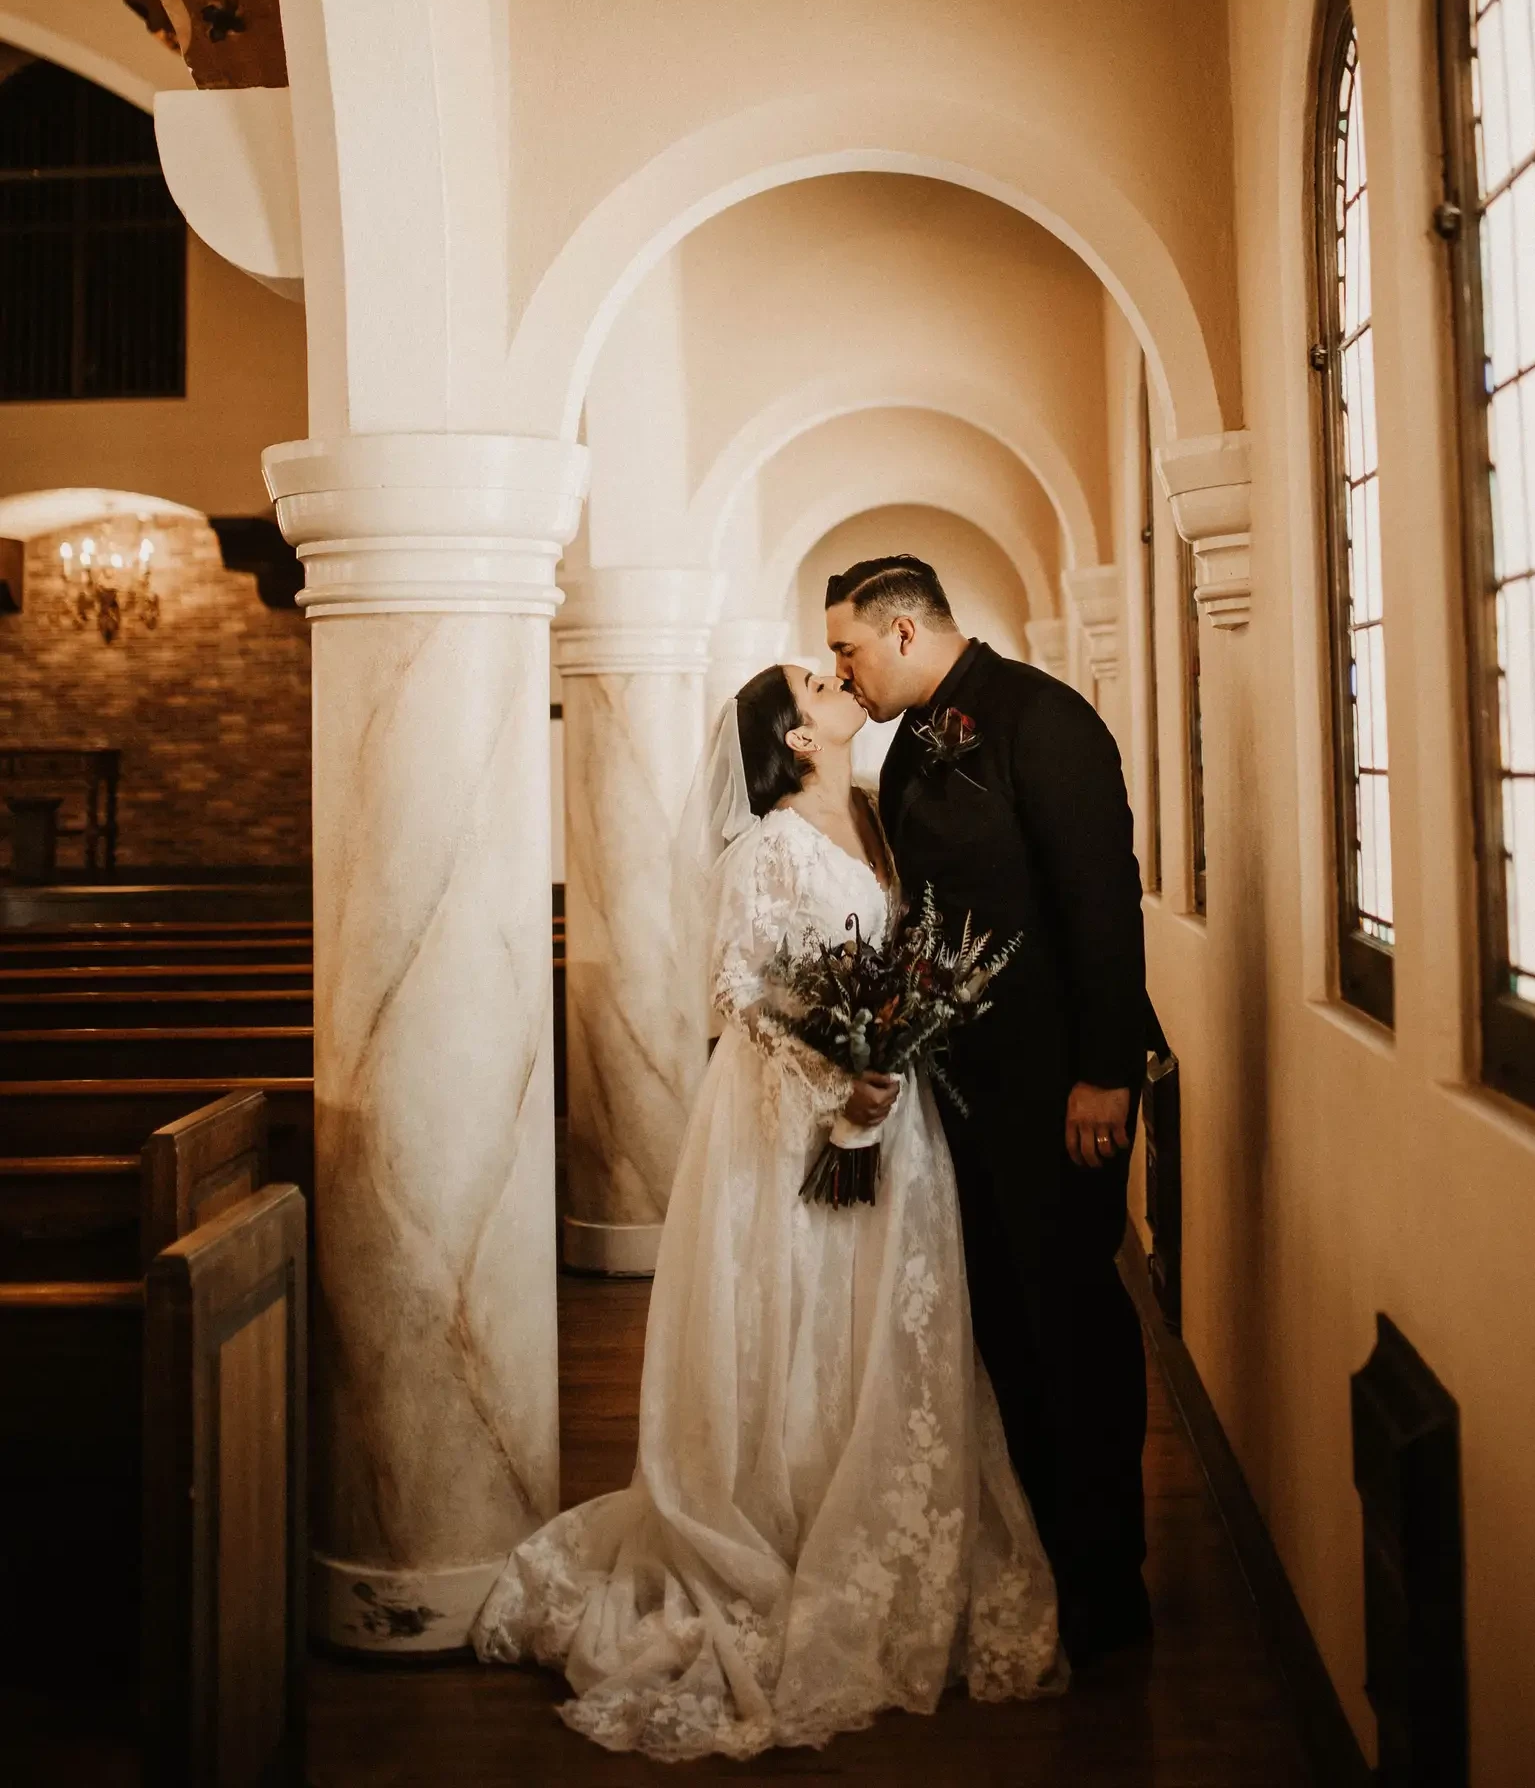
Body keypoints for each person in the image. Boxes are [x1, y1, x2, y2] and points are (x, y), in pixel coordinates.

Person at [472, 661, 1058, 1759]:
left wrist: (891, 1064)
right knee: (799, 1315)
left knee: (883, 1320)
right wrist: (840, 1080)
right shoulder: (771, 844)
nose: (839, 679)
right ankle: (777, 1522)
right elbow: (743, 991)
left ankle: (878, 1517)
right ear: (793, 738)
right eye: (816, 678)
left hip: (896, 1117)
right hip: (792, 1123)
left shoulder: (882, 821)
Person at [826, 554, 1163, 1668]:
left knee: (1071, 1319)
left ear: (909, 630)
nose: (843, 668)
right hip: (962, 1092)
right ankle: (1043, 1554)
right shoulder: (911, 743)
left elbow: (1100, 902)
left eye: (849, 648)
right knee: (1005, 1326)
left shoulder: (1044, 722)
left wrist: (1104, 1069)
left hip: (1061, 1089)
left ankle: (1109, 1585)